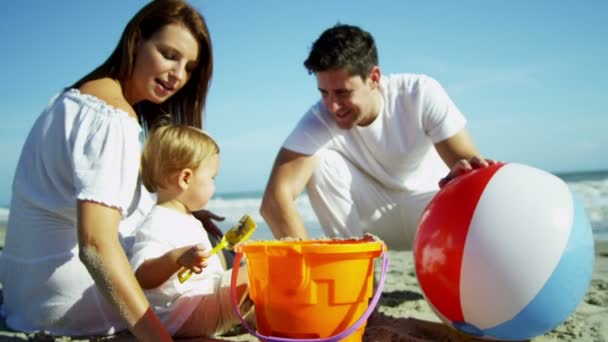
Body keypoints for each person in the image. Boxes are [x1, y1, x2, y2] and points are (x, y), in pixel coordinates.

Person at [0, 1, 217, 340]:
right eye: (169, 54)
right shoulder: (112, 117)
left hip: (26, 300)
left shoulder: (72, 99)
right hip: (72, 308)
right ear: (137, 40)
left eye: (189, 67)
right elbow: (96, 246)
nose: (178, 75)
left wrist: (179, 212)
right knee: (234, 276)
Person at [260, 24, 495, 250]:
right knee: (321, 164)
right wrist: (306, 268)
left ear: (373, 78)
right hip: (370, 227)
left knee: (471, 180)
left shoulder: (419, 93)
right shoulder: (320, 118)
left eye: (342, 92)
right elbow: (274, 200)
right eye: (324, 92)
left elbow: (468, 167)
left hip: (430, 213)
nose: (332, 106)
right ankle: (353, 273)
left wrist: (469, 172)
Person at [130, 124, 253, 338]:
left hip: (200, 305)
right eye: (212, 178)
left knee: (256, 278)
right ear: (185, 178)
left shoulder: (186, 218)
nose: (214, 186)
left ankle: (255, 319)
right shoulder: (158, 222)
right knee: (258, 272)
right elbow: (142, 276)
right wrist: (176, 258)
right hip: (183, 314)